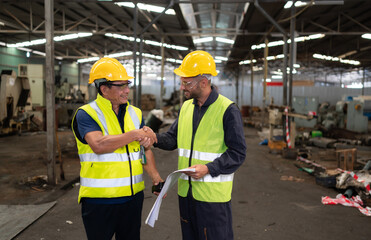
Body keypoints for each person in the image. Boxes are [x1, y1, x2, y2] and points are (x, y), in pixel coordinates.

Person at [154, 50, 247, 240]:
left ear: (203, 82)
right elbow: (173, 138)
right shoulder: (187, 107)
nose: (182, 88)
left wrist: (208, 168)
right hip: (186, 194)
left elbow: (238, 153)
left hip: (212, 198)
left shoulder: (227, 110)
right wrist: (153, 138)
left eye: (186, 83)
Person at [71, 57, 163, 240]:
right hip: (100, 201)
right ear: (103, 89)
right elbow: (98, 145)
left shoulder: (134, 113)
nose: (127, 90)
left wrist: (156, 178)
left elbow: (144, 150)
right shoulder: (86, 114)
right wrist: (135, 134)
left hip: (133, 198)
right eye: (120, 86)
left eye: (127, 85)